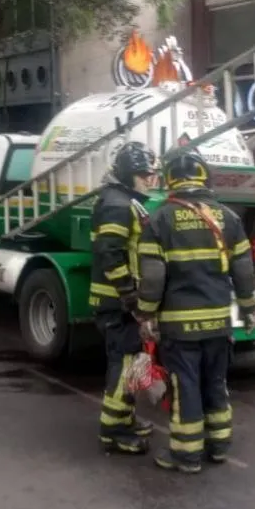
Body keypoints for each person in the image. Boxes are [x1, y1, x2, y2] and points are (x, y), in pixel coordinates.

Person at [134, 147, 255, 473]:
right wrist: (247, 310)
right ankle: (218, 447)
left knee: (186, 386)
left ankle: (186, 455)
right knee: (216, 382)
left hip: (179, 325)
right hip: (219, 322)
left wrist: (145, 313)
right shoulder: (228, 217)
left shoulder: (159, 217)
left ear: (170, 177)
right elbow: (244, 270)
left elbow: (153, 276)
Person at [89, 141, 159, 455]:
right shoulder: (117, 204)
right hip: (116, 303)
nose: (150, 179)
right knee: (123, 365)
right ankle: (113, 431)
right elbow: (111, 253)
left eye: (151, 173)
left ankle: (125, 419)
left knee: (130, 363)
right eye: (143, 174)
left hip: (120, 302)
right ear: (129, 175)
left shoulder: (124, 200)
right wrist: (130, 296)